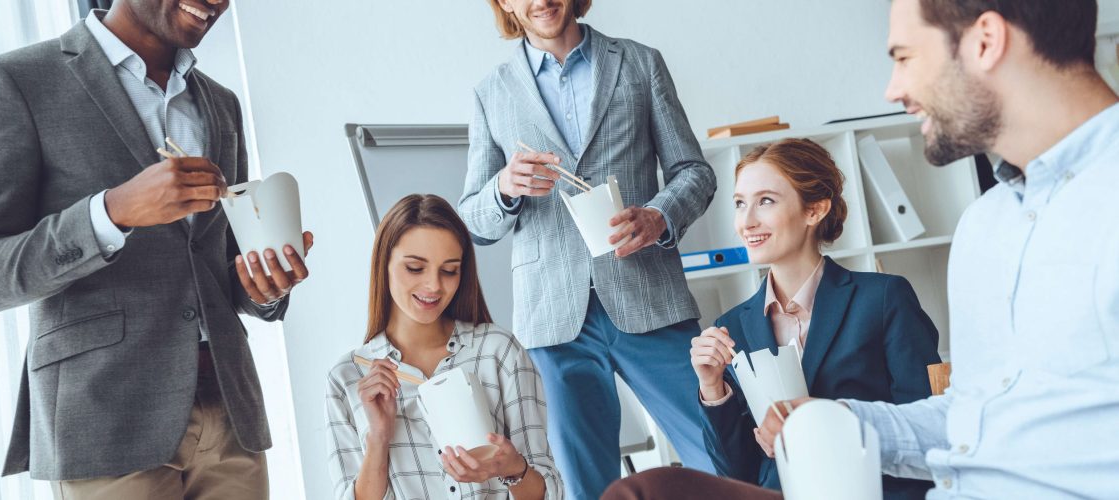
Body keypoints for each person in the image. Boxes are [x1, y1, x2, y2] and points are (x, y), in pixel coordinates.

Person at [603, 0, 1119, 498]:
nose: (895, 89)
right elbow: (967, 418)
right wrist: (825, 424)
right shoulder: (985, 226)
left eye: (904, 57)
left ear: (986, 41)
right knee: (650, 490)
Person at [0, 1, 312, 498]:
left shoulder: (220, 103)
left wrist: (261, 288)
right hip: (106, 419)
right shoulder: (18, 82)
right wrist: (111, 212)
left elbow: (220, 265)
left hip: (229, 411)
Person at [458, 0, 722, 497]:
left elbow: (695, 172)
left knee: (719, 454)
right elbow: (474, 218)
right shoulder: (490, 92)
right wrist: (504, 188)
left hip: (651, 298)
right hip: (554, 320)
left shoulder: (640, 63)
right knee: (585, 486)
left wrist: (659, 214)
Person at [691, 138, 939, 499]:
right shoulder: (734, 326)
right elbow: (738, 474)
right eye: (740, 204)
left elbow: (925, 429)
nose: (746, 222)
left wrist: (824, 424)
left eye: (766, 201)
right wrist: (713, 388)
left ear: (815, 210)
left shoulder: (883, 299)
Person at [326, 194, 562, 500]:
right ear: (383, 263)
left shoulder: (498, 352)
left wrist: (511, 468)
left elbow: (550, 493)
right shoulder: (348, 376)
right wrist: (379, 438)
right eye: (414, 268)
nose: (434, 286)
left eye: (449, 270)